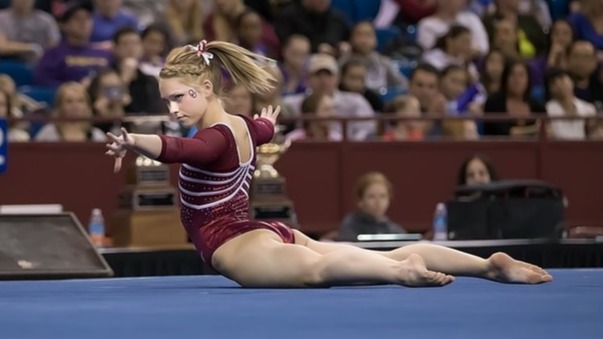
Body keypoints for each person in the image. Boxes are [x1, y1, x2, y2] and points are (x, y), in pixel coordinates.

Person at [105, 39, 553, 288]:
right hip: (264, 232)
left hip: (237, 248)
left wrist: (133, 140)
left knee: (318, 273)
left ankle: (403, 274)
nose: (174, 110)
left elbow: (184, 151)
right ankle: (486, 266)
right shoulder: (242, 126)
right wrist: (265, 125)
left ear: (205, 84)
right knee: (375, 254)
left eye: (181, 97)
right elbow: (260, 132)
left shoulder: (213, 136)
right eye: (168, 101)